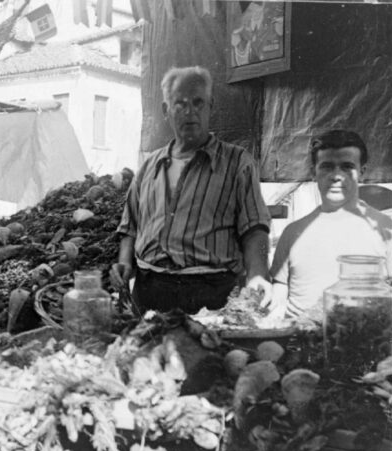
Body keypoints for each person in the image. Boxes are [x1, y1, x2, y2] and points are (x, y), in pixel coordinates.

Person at [111, 66, 272, 314]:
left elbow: (255, 229)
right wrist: (124, 262)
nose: (190, 112)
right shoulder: (148, 167)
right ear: (166, 110)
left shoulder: (237, 163)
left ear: (211, 107)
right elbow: (129, 227)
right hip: (150, 291)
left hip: (212, 293)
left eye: (198, 103)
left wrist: (258, 275)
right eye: (180, 104)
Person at [268, 130, 392, 318]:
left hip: (362, 338)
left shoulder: (388, 231)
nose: (337, 175)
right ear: (313, 172)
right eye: (327, 166)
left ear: (362, 172)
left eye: (346, 167)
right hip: (300, 341)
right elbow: (280, 289)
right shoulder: (293, 233)